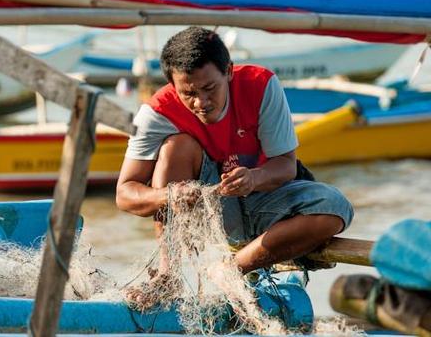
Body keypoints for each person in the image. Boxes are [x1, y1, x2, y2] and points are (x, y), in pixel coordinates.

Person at [116, 26, 353, 275]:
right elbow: (125, 193)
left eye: (210, 89)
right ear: (172, 85)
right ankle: (169, 274)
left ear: (228, 71)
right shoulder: (156, 113)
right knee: (177, 146)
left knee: (336, 207)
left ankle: (231, 269)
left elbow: (286, 165)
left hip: (264, 200)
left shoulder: (261, 86)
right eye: (188, 93)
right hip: (207, 213)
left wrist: (254, 178)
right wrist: (171, 195)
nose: (201, 103)